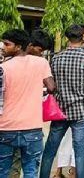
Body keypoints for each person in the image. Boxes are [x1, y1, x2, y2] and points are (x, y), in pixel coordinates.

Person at [40, 25, 84, 178]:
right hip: (80, 110)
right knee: (80, 149)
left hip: (60, 109)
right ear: (83, 38)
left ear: (67, 38)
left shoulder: (56, 58)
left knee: (50, 149)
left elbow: (52, 82)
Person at [0, 29, 55, 178]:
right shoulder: (41, 62)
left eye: (7, 44)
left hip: (6, 128)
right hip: (32, 128)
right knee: (31, 171)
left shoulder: (3, 68)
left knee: (3, 171)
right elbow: (51, 87)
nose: (3, 47)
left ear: (18, 46)